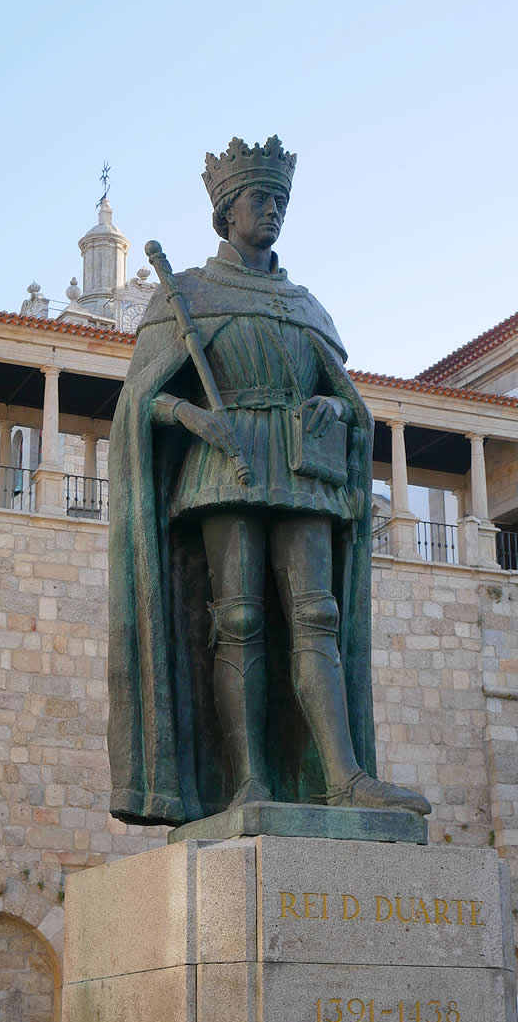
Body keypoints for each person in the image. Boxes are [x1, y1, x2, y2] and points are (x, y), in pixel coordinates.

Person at [107, 136, 430, 826]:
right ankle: (248, 780)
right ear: (227, 210)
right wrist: (196, 419)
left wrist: (335, 407)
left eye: (281, 198)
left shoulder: (305, 304)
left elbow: (347, 396)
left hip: (301, 463)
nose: (274, 208)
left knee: (318, 615)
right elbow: (139, 403)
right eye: (261, 197)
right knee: (241, 621)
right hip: (223, 462)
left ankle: (344, 776)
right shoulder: (186, 294)